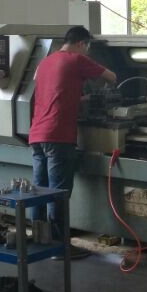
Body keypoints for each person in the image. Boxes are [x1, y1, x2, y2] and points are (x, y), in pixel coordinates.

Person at [29, 26, 116, 235]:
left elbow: (54, 92)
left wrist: (83, 98)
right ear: (81, 43)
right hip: (58, 135)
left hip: (37, 134)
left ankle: (38, 238)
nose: (87, 52)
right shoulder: (77, 59)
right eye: (87, 48)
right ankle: (58, 243)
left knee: (38, 191)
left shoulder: (44, 63)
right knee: (57, 193)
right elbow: (111, 77)